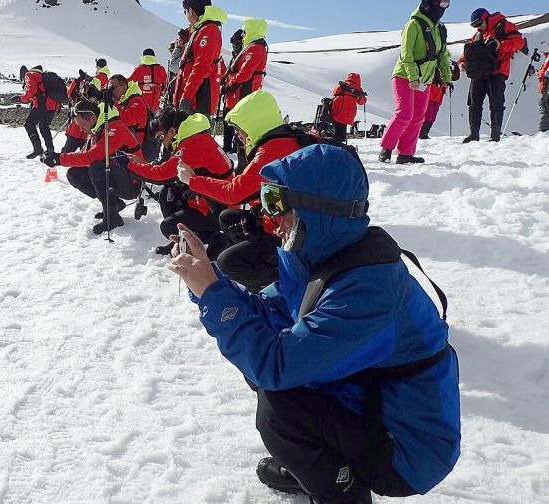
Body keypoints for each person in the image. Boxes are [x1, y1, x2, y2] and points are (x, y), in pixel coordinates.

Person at [168, 144, 461, 504]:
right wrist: (211, 282)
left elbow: (278, 365)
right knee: (264, 367)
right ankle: (315, 466)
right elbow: (268, 314)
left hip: (406, 447)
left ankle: (344, 492)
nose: (273, 220)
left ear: (319, 210)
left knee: (280, 408)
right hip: (367, 397)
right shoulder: (319, 255)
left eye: (279, 205)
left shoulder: (369, 289)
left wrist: (214, 296)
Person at [177, 91, 306, 291]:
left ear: (253, 124)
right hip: (293, 222)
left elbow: (234, 193)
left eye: (239, 130)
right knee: (229, 217)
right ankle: (264, 265)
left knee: (228, 263)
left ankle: (279, 286)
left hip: (294, 235)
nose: (239, 136)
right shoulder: (288, 139)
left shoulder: (272, 151)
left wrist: (192, 180)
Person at [120, 109, 233, 256]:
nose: (163, 143)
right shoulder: (195, 137)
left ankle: (216, 239)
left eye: (161, 138)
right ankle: (182, 240)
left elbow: (160, 175)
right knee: (168, 192)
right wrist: (140, 164)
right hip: (212, 200)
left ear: (172, 132)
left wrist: (128, 165)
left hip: (218, 209)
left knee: (168, 227)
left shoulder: (192, 145)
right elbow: (164, 168)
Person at [378, 0, 452, 164]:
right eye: (442, 3)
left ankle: (406, 153)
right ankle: (386, 149)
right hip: (405, 76)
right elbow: (406, 53)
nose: (444, 8)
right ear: (431, 3)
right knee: (404, 114)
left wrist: (447, 78)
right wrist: (412, 76)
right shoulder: (413, 25)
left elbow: (443, 55)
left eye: (447, 4)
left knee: (419, 117)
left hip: (424, 79)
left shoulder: (440, 29)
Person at [41, 100, 141, 234]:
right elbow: (85, 154)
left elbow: (92, 157)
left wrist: (59, 158)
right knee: (74, 174)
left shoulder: (113, 127)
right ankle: (114, 204)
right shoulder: (98, 128)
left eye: (82, 125)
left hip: (132, 181)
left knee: (97, 168)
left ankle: (113, 218)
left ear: (93, 118)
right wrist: (59, 158)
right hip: (118, 174)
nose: (81, 130)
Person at [459, 8, 527, 143]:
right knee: (474, 104)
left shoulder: (504, 26)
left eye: (479, 23)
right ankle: (474, 134)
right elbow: (469, 53)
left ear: (486, 18)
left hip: (498, 71)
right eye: (474, 25)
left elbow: (519, 43)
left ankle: (495, 136)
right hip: (479, 73)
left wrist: (500, 45)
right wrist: (462, 62)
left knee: (496, 103)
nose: (478, 27)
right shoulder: (478, 35)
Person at [173, 0, 227, 117]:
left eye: (185, 11)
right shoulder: (203, 29)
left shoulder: (208, 30)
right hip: (194, 99)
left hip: (198, 100)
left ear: (190, 10)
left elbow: (201, 66)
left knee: (197, 136)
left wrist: (187, 96)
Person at [16, 65, 61, 159]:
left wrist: (21, 99)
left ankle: (38, 149)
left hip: (42, 105)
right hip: (52, 106)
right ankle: (50, 149)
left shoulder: (30, 75)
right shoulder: (42, 76)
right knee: (44, 127)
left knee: (29, 124)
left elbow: (32, 90)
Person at [109, 74, 151, 157]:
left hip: (135, 149)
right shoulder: (122, 100)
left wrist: (112, 103)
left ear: (124, 87)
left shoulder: (137, 100)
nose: (112, 91)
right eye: (110, 88)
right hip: (124, 145)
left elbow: (127, 120)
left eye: (114, 88)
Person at [330, 73, 367, 142]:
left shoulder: (340, 85)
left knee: (336, 130)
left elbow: (334, 92)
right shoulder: (357, 89)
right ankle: (338, 146)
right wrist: (363, 95)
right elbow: (362, 101)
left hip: (336, 110)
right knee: (341, 134)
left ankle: (334, 142)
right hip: (347, 114)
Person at [166, 29, 191, 107]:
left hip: (181, 96)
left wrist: (178, 48)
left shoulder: (186, 57)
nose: (172, 52)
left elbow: (173, 67)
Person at [539, 54, 549, 133]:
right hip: (544, 86)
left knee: (545, 106)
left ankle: (544, 131)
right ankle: (544, 132)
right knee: (543, 105)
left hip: (546, 85)